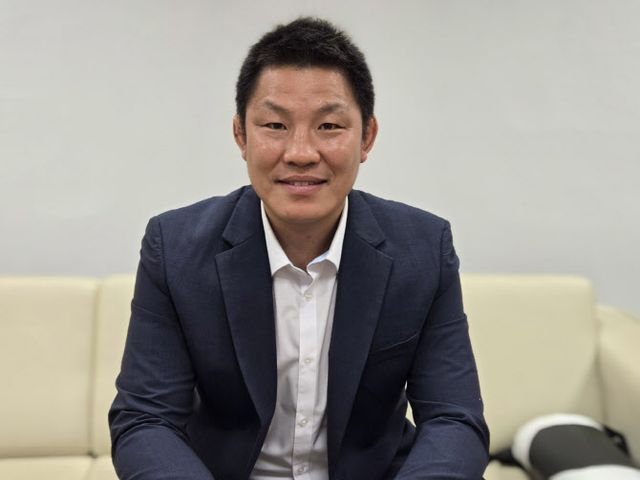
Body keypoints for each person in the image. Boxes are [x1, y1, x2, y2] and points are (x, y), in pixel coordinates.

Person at [109, 17, 489, 480]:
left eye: (329, 125)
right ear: (241, 135)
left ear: (366, 137)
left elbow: (453, 419)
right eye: (275, 125)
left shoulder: (424, 248)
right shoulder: (175, 248)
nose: (301, 152)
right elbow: (146, 419)